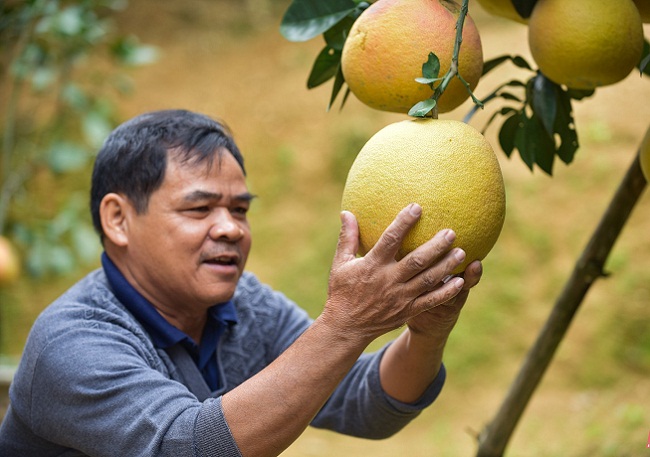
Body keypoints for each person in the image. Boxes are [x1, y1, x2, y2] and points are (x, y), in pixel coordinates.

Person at [0, 109, 482, 457]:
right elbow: (185, 446)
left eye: (240, 210)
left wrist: (426, 332)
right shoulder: (72, 343)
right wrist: (346, 324)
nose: (230, 228)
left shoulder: (245, 304)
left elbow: (364, 404)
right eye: (198, 208)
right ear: (118, 220)